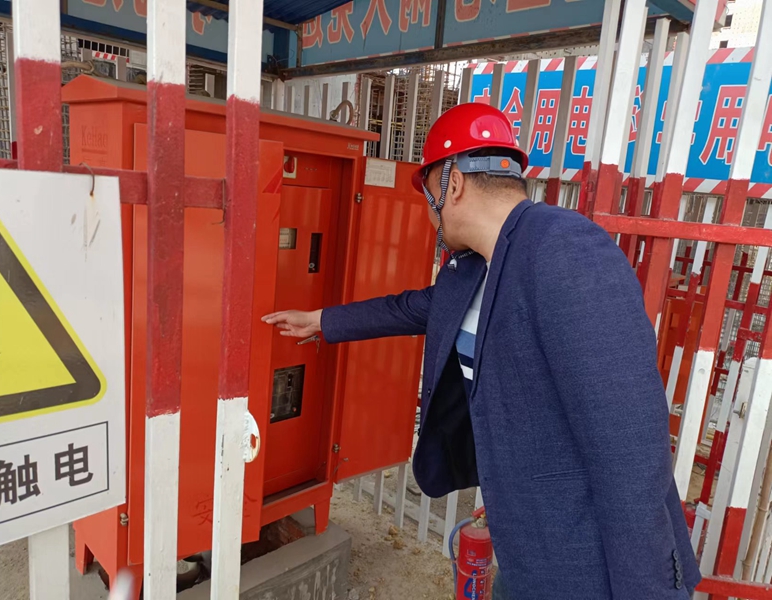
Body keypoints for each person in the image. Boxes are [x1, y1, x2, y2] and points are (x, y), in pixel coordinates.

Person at [262, 103, 700, 599]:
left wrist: (649, 591)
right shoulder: (473, 268)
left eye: (428, 194)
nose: (429, 212)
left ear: (451, 184)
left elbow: (631, 446)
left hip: (583, 564)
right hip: (522, 540)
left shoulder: (566, 249)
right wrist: (322, 321)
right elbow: (411, 308)